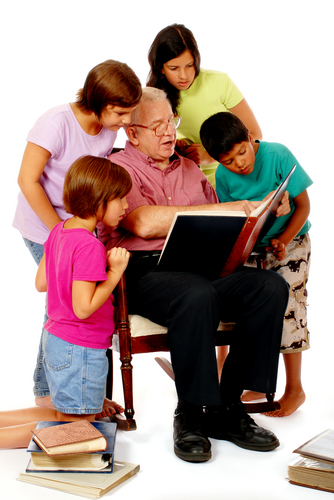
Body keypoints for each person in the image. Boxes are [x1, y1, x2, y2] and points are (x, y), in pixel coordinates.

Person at [98, 87, 290, 463]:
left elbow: (228, 223)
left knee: (269, 286)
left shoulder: (191, 170)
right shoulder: (117, 168)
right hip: (143, 273)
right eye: (157, 126)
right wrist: (239, 206)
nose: (169, 132)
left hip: (202, 266)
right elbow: (143, 221)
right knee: (196, 293)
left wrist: (266, 210)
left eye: (172, 121)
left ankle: (226, 409)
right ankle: (189, 413)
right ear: (132, 133)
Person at [12, 60, 141, 415]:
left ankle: (64, 387)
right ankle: (52, 389)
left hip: (78, 224)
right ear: (98, 100)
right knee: (67, 307)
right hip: (47, 223)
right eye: (120, 112)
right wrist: (60, 232)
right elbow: (27, 180)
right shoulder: (56, 123)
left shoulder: (107, 129)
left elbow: (95, 178)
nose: (126, 121)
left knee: (63, 302)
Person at [1, 156, 131, 449]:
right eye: (120, 198)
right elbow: (83, 308)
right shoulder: (90, 246)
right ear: (98, 199)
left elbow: (41, 283)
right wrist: (114, 272)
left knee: (62, 416)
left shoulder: (60, 230)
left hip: (57, 341)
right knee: (84, 432)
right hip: (79, 348)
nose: (125, 206)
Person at [200, 111, 312, 417]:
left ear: (250, 137)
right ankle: (250, 381)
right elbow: (232, 220)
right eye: (229, 161)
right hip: (252, 247)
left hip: (292, 243)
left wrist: (284, 240)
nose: (240, 163)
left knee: (289, 310)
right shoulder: (223, 177)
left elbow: (303, 206)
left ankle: (294, 389)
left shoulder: (277, 155)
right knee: (247, 310)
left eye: (242, 152)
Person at [147, 23, 262, 187]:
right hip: (183, 182)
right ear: (161, 68)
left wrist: (209, 156)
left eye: (190, 65)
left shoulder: (220, 82)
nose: (184, 75)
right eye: (174, 68)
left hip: (231, 177)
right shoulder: (154, 97)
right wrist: (177, 147)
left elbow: (255, 134)